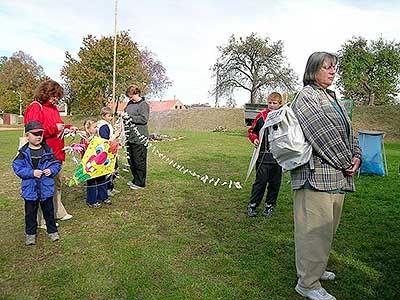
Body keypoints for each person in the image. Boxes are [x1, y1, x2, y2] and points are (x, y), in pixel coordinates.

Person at [291, 52, 361, 300]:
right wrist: (347, 161)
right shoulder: (306, 97)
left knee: (326, 230)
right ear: (313, 70)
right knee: (313, 232)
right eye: (327, 67)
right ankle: (307, 284)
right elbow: (323, 135)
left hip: (336, 176)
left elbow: (349, 132)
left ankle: (316, 270)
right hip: (315, 177)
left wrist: (357, 155)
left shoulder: (332, 98)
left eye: (334, 68)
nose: (333, 72)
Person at [24, 80, 75, 224]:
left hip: (55, 154)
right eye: (54, 96)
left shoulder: (52, 109)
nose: (56, 99)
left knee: (56, 184)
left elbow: (58, 125)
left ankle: (57, 211)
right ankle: (42, 220)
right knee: (42, 187)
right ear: (45, 93)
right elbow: (34, 131)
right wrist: (55, 128)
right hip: (42, 155)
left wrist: (68, 127)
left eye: (58, 97)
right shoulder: (35, 107)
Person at [12, 121, 62, 245]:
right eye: (35, 134)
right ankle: (30, 234)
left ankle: (52, 231)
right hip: (30, 190)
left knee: (49, 212)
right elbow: (17, 168)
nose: (38, 136)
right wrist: (31, 173)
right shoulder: (23, 153)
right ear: (27, 135)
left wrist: (51, 170)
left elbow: (56, 164)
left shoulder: (47, 150)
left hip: (46, 188)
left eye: (40, 133)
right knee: (30, 214)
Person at [247, 92, 283, 217]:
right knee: (260, 182)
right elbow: (252, 131)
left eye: (274, 103)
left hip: (278, 158)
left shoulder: (283, 117)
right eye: (270, 103)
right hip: (262, 156)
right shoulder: (261, 116)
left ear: (280, 104)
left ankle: (269, 205)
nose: (272, 105)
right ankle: (252, 205)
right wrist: (254, 139)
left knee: (275, 183)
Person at [124, 85, 150, 189]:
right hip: (129, 136)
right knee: (131, 160)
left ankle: (140, 183)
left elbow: (144, 119)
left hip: (140, 137)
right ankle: (135, 180)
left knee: (139, 160)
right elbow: (126, 113)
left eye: (131, 96)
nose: (130, 99)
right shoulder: (130, 103)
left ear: (136, 93)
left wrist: (129, 117)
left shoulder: (143, 105)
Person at [81, 118, 110, 208]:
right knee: (91, 182)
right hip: (90, 165)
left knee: (102, 179)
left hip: (99, 163)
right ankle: (92, 200)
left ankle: (103, 197)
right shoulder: (84, 140)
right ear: (88, 129)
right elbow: (84, 152)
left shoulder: (98, 138)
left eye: (97, 126)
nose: (97, 128)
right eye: (94, 127)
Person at [97, 106, 120, 197]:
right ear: (103, 116)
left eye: (111, 116)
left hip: (111, 150)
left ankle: (111, 187)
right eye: (109, 116)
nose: (111, 118)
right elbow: (105, 140)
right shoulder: (103, 126)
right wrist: (115, 135)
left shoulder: (107, 124)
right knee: (109, 169)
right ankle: (107, 189)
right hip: (107, 151)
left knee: (114, 168)